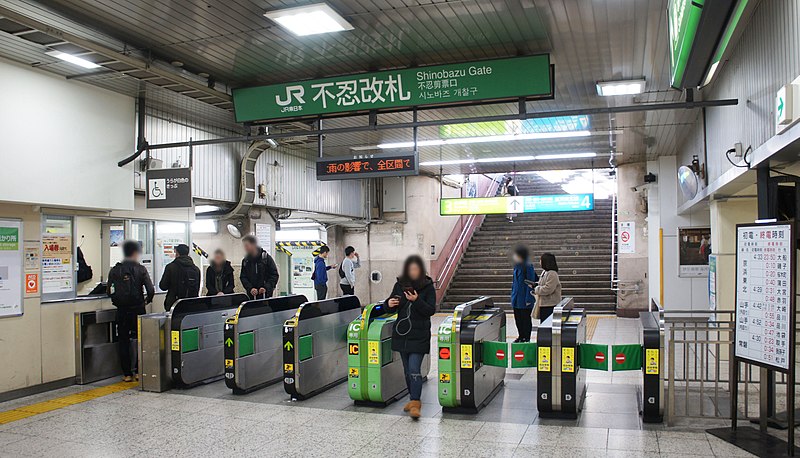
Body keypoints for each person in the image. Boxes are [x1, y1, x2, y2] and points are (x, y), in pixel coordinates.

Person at [386, 255, 436, 419]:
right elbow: (392, 305)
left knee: (414, 369)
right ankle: (412, 398)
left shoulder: (428, 287)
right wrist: (389, 304)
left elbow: (430, 310)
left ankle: (416, 402)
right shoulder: (400, 285)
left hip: (419, 334)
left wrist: (416, 300)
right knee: (407, 371)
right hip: (402, 334)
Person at [107, 240, 154, 382]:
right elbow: (150, 289)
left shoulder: (115, 270)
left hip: (121, 311)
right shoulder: (141, 269)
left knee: (123, 341)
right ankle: (139, 372)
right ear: (135, 253)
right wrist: (146, 301)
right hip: (138, 310)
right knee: (141, 340)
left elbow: (109, 290)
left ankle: (127, 374)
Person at [159, 243, 201, 310]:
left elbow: (163, 286)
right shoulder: (196, 269)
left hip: (174, 304)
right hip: (191, 304)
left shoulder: (170, 267)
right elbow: (197, 288)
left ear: (177, 253)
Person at [511, 245, 538, 342]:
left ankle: (526, 337)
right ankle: (520, 335)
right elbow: (514, 283)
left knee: (525, 320)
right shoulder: (516, 266)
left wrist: (528, 299)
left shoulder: (528, 265)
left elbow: (529, 283)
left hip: (524, 298)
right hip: (516, 298)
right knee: (518, 319)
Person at [240, 235, 279, 300]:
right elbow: (243, 277)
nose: (245, 248)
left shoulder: (266, 258)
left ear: (254, 244)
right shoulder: (245, 261)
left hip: (265, 296)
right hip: (251, 296)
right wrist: (250, 288)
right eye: (244, 246)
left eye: (247, 245)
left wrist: (266, 287)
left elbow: (274, 275)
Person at [534, 253, 562, 323]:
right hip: (543, 304)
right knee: (544, 324)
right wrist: (535, 285)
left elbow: (548, 289)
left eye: (541, 260)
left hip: (550, 305)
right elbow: (542, 283)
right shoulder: (545, 272)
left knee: (547, 325)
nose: (540, 262)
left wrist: (536, 289)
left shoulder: (552, 274)